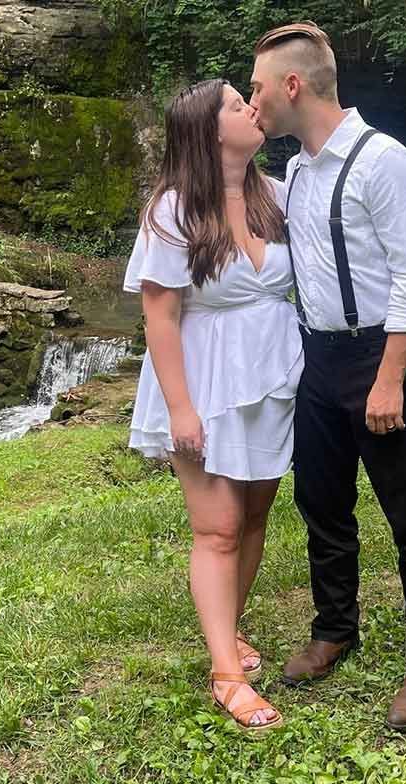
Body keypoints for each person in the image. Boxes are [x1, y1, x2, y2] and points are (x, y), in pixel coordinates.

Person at [249, 21, 406, 729]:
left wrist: (390, 379)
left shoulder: (384, 162)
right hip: (318, 359)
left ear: (292, 85)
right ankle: (335, 628)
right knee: (322, 505)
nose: (253, 101)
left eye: (257, 88)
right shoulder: (298, 173)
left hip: (378, 357)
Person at [123, 78, 302, 732]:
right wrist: (181, 409)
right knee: (218, 527)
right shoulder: (173, 209)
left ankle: (228, 629)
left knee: (254, 516)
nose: (250, 108)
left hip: (273, 373)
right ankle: (227, 674)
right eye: (234, 104)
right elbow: (160, 318)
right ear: (206, 131)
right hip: (204, 381)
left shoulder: (277, 194)